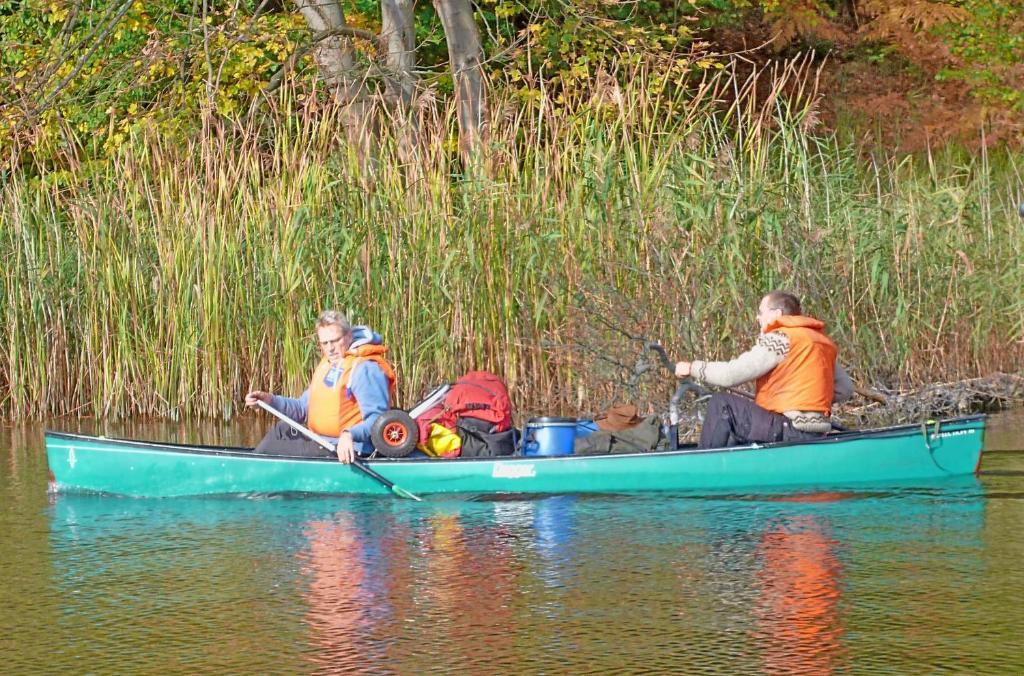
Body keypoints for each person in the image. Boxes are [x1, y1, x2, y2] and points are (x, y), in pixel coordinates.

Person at [674, 290, 853, 449]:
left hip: (788, 429)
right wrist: (808, 397)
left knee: (722, 404)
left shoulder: (780, 338)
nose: (757, 318)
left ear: (776, 314)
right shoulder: (820, 342)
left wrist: (692, 367)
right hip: (815, 432)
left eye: (761, 312)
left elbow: (730, 375)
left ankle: (703, 466)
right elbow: (845, 389)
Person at [245, 310, 396, 463]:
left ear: (349, 336)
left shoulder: (364, 369)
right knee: (282, 430)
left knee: (276, 443)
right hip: (323, 442)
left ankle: (248, 470)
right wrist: (270, 400)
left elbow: (378, 420)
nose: (330, 348)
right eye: (325, 343)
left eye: (335, 341)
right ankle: (251, 466)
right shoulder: (329, 365)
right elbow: (301, 409)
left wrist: (349, 434)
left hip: (350, 449)